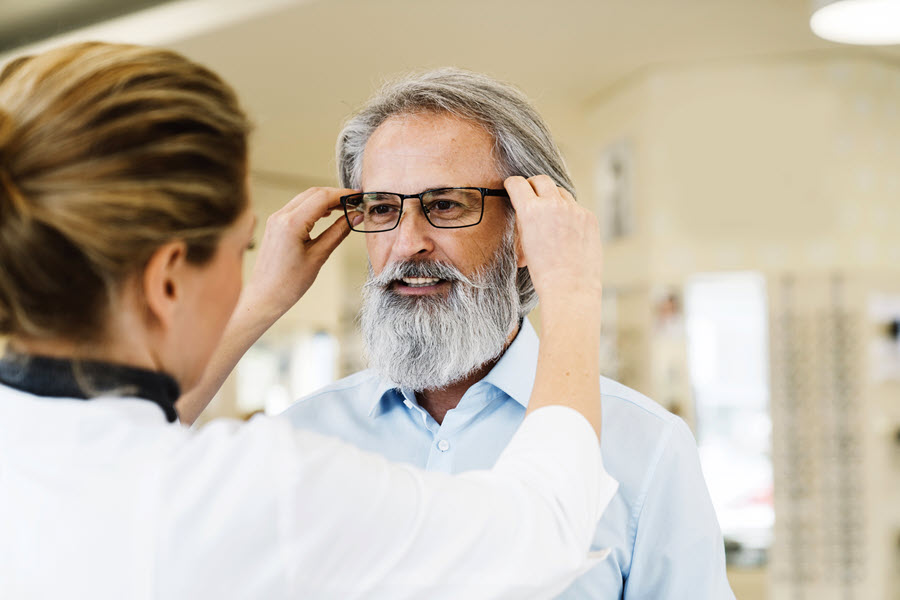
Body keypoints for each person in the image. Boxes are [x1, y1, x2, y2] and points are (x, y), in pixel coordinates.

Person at [0, 43, 620, 600]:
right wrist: (571, 292)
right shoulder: (269, 483)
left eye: (446, 205)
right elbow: (542, 531)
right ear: (167, 281)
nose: (406, 242)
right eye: (244, 250)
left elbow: (131, 441)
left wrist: (259, 305)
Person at [182, 68, 736, 599]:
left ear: (526, 232)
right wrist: (258, 303)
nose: (407, 243)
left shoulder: (647, 447)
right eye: (380, 208)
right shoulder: (299, 437)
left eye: (445, 205)